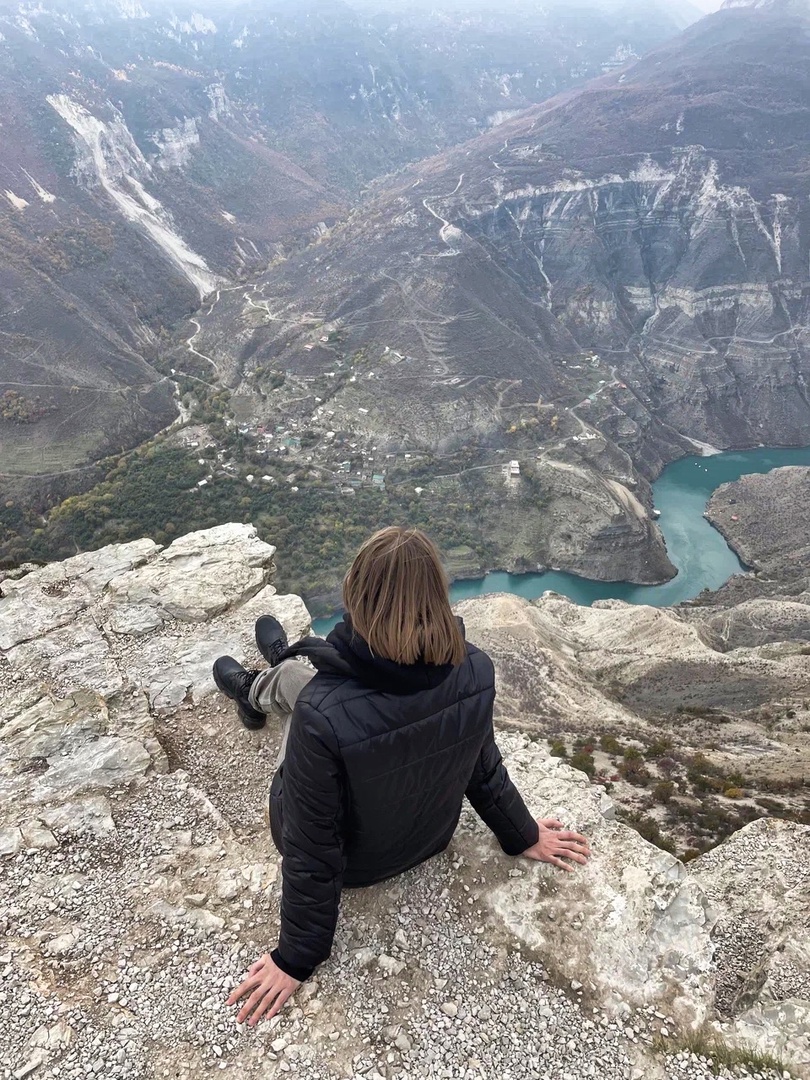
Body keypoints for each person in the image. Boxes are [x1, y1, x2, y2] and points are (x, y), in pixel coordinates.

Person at [212, 526, 590, 1026]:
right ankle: (287, 659)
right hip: (429, 840)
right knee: (322, 689)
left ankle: (260, 686)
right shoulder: (475, 669)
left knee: (301, 692)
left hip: (357, 866)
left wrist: (296, 957)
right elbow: (483, 766)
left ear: (356, 597)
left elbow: (311, 841)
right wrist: (522, 836)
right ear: (438, 593)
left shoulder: (322, 713)